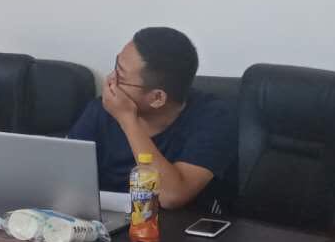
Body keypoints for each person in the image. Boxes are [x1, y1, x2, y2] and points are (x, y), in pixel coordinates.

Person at [67, 27, 235, 211]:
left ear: (157, 98)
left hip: (176, 225)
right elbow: (65, 175)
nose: (110, 80)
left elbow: (171, 196)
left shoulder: (213, 118)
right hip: (110, 220)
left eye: (120, 75)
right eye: (115, 65)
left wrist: (127, 121)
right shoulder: (101, 110)